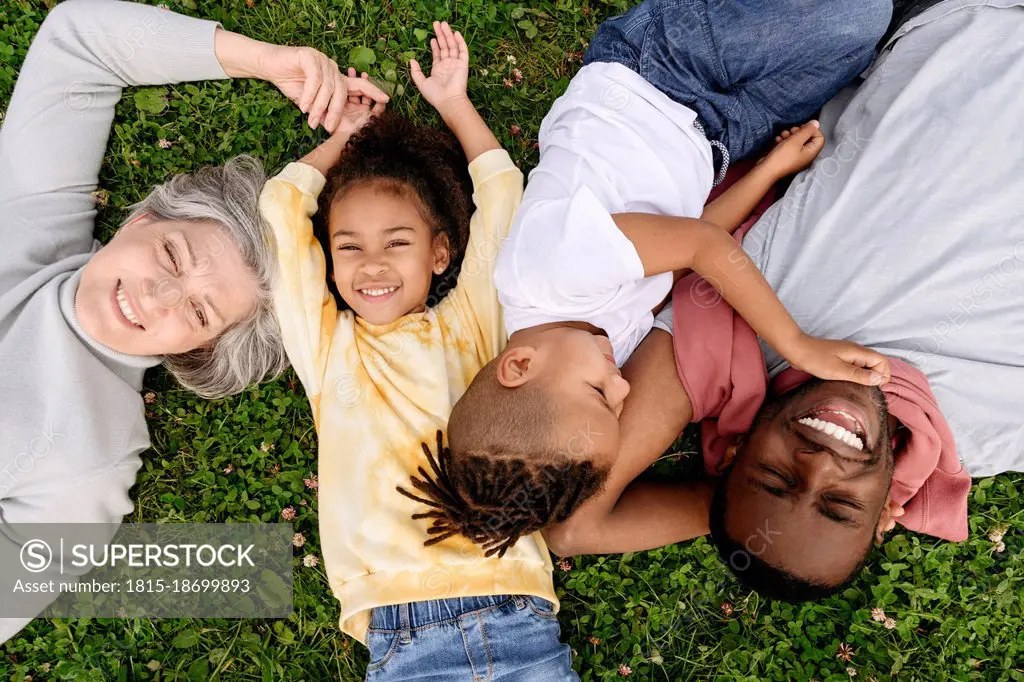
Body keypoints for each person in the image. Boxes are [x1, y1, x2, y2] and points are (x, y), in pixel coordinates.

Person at [546, 0, 1024, 600]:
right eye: (839, 505)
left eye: (775, 477)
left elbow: (571, 525)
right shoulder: (987, 433)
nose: (820, 463)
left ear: (739, 451)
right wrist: (772, 504)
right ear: (882, 516)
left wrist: (736, 508)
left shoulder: (741, 343)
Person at [402, 0, 895, 556]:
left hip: (663, 71)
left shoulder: (550, 275)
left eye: (598, 393)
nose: (622, 387)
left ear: (520, 365)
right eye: (618, 407)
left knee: (856, 16)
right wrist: (767, 173)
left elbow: (701, 246)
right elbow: (689, 237)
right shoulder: (591, 345)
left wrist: (796, 344)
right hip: (720, 135)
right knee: (860, 52)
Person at [0, 0, 387, 644]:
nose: (157, 296)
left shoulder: (91, 457)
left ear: (198, 352)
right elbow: (78, 42)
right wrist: (268, 63)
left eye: (199, 313)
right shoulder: (32, 224)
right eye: (172, 254)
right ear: (140, 221)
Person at [262, 22, 576, 680]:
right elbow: (283, 206)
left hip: (516, 611)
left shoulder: (471, 326)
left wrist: (455, 107)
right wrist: (349, 135)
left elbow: (500, 201)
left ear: (440, 254)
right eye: (349, 246)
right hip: (400, 635)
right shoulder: (329, 349)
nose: (371, 263)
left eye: (396, 242)